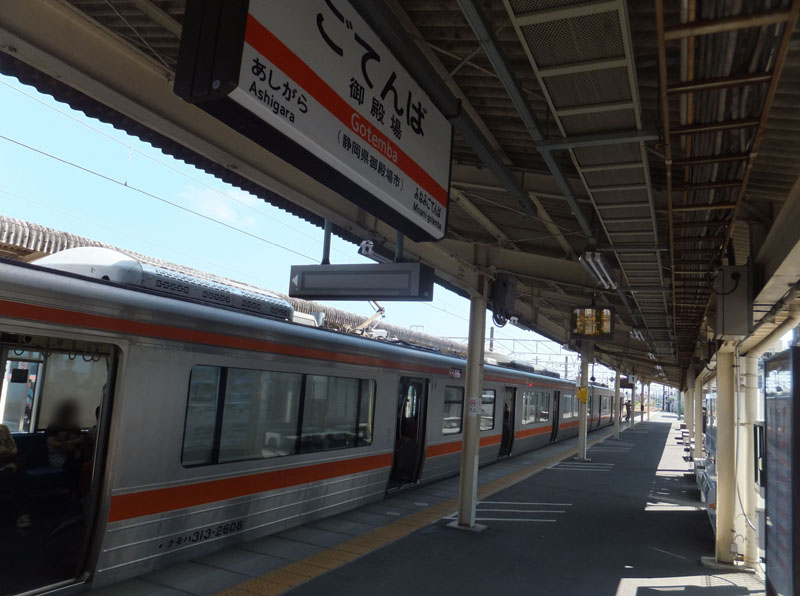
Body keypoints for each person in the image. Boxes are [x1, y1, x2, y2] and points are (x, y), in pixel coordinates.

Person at [46, 400, 87, 482]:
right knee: (74, 467)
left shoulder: (75, 428)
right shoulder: (53, 427)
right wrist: (74, 442)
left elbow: (81, 441)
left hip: (73, 455)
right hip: (58, 457)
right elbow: (53, 443)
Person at [0, 424, 31, 527]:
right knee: (19, 475)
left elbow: (14, 448)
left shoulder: (3, 428)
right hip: (6, 463)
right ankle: (22, 514)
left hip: (8, 461)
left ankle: (22, 514)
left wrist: (9, 453)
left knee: (21, 475)